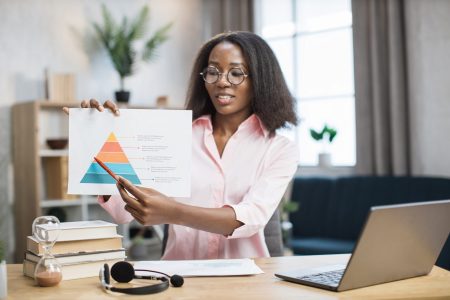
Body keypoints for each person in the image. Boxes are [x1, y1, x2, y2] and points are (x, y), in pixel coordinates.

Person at [65, 31, 299, 260]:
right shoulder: (175, 136)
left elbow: (251, 217)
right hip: (180, 278)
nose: (222, 82)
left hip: (248, 283)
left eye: (236, 73)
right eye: (212, 72)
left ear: (261, 79)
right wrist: (94, 139)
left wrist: (173, 212)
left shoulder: (279, 149)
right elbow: (122, 211)